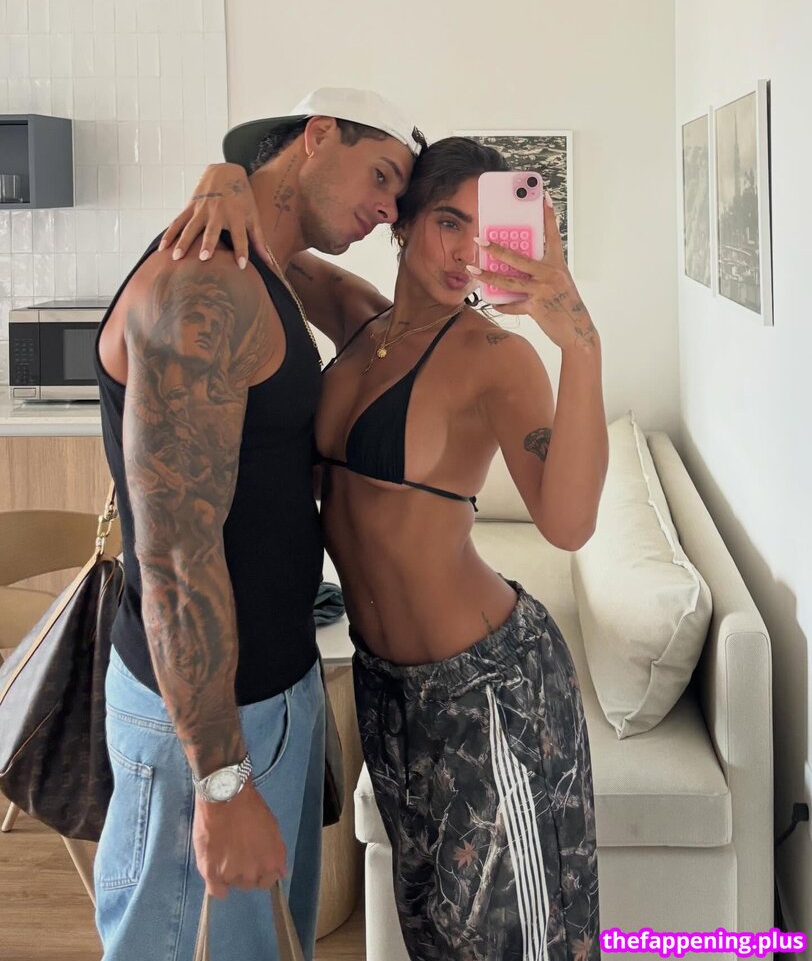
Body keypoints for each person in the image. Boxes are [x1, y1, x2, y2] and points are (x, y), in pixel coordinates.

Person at [165, 133, 608, 960]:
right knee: (431, 929)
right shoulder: (357, 319)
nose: (467, 253)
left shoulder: (497, 359)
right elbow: (273, 234)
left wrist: (578, 341)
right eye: (448, 222)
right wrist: (222, 176)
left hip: (490, 689)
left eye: (486, 231)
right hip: (386, 690)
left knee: (517, 941)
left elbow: (569, 524)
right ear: (402, 223)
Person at [93, 87, 424, 960]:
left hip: (270, 685)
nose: (389, 209)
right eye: (381, 175)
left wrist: (231, 174)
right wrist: (221, 778)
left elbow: (374, 321)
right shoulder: (206, 285)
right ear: (319, 135)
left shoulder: (267, 268)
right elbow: (174, 553)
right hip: (207, 720)